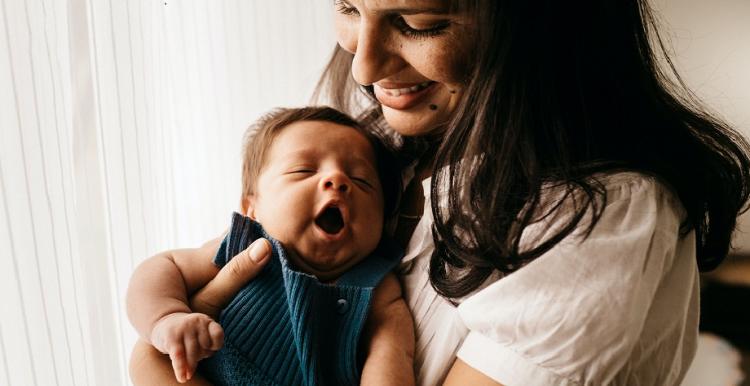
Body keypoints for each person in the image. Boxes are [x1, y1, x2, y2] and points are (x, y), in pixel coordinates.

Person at [130, 0, 750, 385]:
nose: (364, 69)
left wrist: (158, 368)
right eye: (348, 6)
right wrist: (164, 330)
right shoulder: (399, 148)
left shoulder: (596, 217)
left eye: (419, 21)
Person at [126, 107, 414, 386]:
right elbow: (164, 267)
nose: (336, 180)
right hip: (212, 370)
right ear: (251, 207)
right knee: (148, 365)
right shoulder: (244, 247)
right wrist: (167, 318)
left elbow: (391, 355)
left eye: (361, 180)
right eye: (303, 170)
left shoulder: (377, 288)